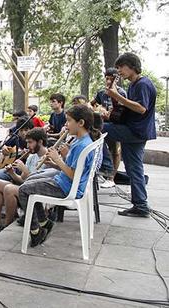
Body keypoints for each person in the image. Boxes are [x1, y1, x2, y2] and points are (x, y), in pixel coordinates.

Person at [18, 104, 98, 246]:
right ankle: (44, 222)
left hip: (66, 188)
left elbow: (73, 175)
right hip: (65, 182)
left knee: (23, 190)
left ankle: (36, 231)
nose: (66, 125)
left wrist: (57, 159)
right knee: (30, 180)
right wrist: (60, 160)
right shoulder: (81, 141)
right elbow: (72, 168)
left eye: (69, 121)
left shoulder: (81, 145)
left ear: (80, 123)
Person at [101, 52, 156, 218]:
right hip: (135, 130)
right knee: (134, 169)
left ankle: (105, 167)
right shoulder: (133, 85)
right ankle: (140, 205)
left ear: (132, 66)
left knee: (99, 128)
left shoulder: (143, 84)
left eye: (121, 67)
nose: (119, 71)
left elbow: (141, 108)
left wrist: (117, 96)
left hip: (136, 131)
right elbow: (130, 108)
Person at [0, 128, 48, 232]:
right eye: (27, 142)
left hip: (36, 192)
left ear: (40, 142)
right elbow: (22, 180)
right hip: (25, 189)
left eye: (30, 142)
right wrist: (12, 173)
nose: (27, 146)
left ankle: (7, 224)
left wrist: (25, 171)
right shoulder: (32, 157)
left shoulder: (48, 158)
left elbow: (38, 183)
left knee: (9, 189)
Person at [90, 68, 127, 188]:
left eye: (112, 79)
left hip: (116, 125)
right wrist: (98, 110)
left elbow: (123, 110)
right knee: (103, 148)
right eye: (107, 78)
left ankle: (112, 177)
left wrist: (111, 114)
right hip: (103, 124)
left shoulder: (121, 93)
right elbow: (92, 103)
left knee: (115, 150)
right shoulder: (101, 92)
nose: (109, 81)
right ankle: (105, 173)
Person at [0, 116, 34, 181]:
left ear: (31, 129)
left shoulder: (34, 141)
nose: (23, 133)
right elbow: (4, 144)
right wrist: (4, 147)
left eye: (26, 130)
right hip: (14, 167)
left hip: (26, 169)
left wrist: (29, 156)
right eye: (21, 130)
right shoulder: (16, 138)